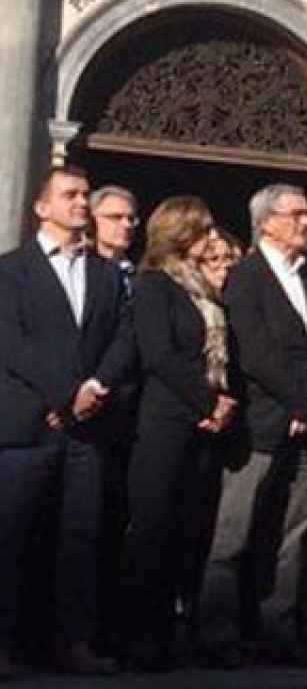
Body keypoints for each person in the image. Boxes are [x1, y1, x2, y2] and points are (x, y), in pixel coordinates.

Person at [198, 183, 307, 667]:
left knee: (294, 534)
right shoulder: (246, 278)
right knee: (234, 534)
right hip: (261, 427)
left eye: (306, 213)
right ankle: (218, 634)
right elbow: (255, 352)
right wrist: (301, 403)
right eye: (296, 214)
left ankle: (278, 632)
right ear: (266, 223)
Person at [0, 166, 134, 677]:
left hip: (86, 428)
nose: (81, 202)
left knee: (78, 537)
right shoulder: (12, 270)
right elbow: (13, 344)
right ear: (41, 207)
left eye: (84, 194)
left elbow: (123, 337)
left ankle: (71, 641)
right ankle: (7, 642)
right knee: (13, 536)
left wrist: (95, 388)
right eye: (70, 195)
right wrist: (63, 393)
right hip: (28, 424)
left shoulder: (104, 273)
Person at [119, 197, 238, 670]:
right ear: (179, 231)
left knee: (189, 531)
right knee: (152, 530)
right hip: (165, 422)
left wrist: (222, 402)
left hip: (205, 427)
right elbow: (159, 355)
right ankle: (137, 635)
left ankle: (173, 632)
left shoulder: (202, 288)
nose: (212, 236)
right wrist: (208, 400)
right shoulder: (154, 285)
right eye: (203, 228)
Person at [86, 183, 139, 657]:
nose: (125, 226)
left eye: (130, 219)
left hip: (127, 414)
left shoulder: (136, 277)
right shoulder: (82, 272)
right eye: (115, 217)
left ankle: (110, 629)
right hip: (81, 412)